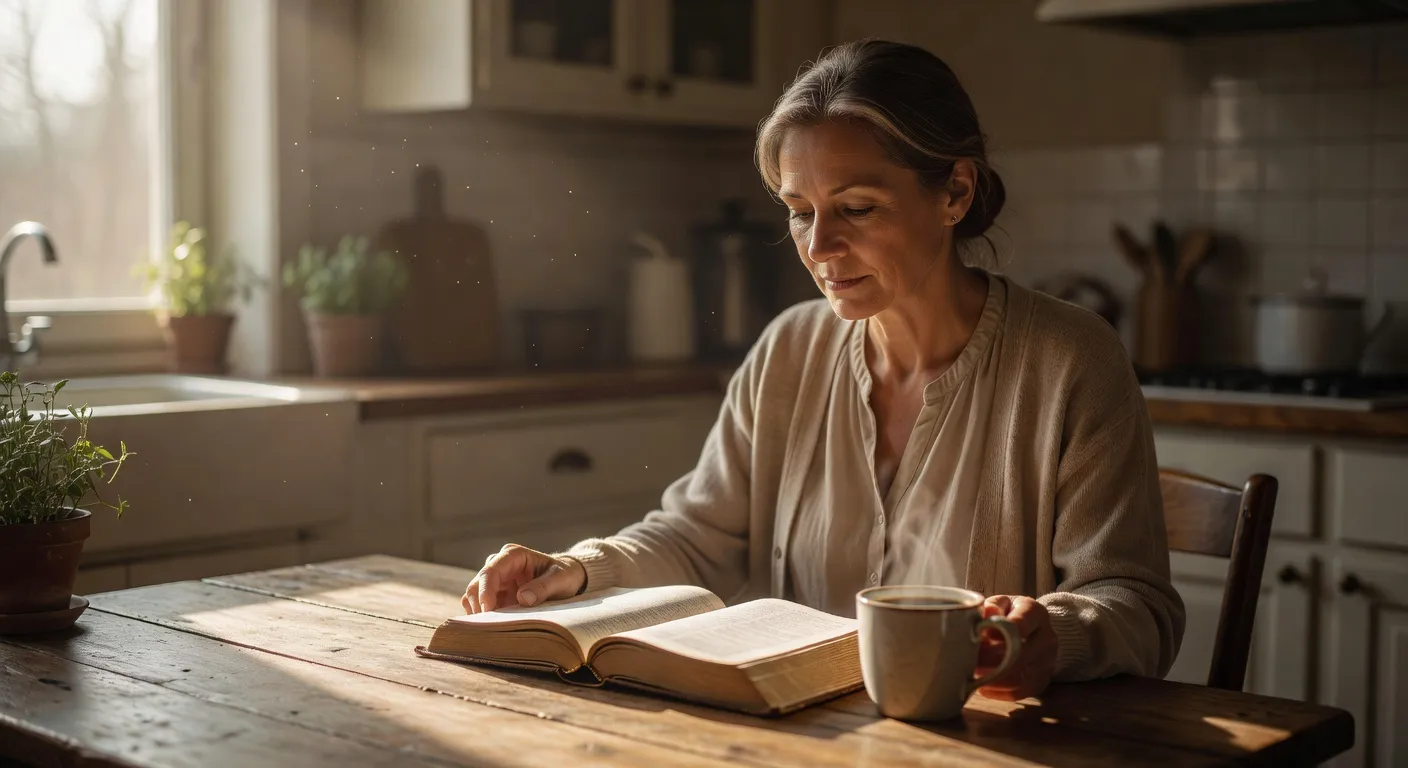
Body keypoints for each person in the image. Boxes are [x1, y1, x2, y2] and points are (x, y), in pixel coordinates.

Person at [462, 39, 1185, 702]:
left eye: (857, 208)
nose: (820, 246)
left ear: (956, 193)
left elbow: (1136, 606)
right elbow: (694, 537)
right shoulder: (788, 351)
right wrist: (577, 568)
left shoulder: (1070, 360)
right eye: (800, 211)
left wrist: (1047, 634)